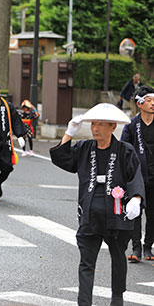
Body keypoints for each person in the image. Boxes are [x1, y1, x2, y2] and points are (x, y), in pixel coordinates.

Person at [50, 103, 145, 306]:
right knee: (86, 262)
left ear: (112, 127)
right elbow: (61, 158)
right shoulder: (84, 148)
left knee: (118, 257)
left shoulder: (125, 150)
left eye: (100, 124)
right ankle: (84, 303)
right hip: (90, 215)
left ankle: (117, 297)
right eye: (93, 124)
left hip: (117, 216)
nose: (95, 128)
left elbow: (135, 176)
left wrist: (136, 199)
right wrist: (69, 134)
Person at [122, 85, 154, 263]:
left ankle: (148, 245)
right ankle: (136, 247)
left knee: (153, 214)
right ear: (139, 103)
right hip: (137, 176)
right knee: (135, 212)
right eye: (149, 100)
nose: (152, 104)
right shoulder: (132, 126)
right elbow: (123, 150)